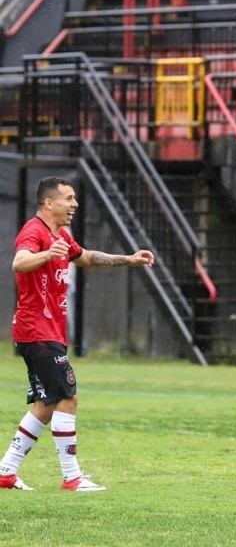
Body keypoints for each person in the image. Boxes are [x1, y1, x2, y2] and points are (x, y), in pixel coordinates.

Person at [0, 176, 155, 492]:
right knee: (68, 397)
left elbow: (85, 258)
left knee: (47, 403)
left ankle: (6, 472)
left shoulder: (60, 236)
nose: (75, 204)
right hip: (37, 331)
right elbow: (19, 262)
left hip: (48, 332)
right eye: (68, 198)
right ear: (49, 203)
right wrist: (46, 254)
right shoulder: (35, 232)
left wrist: (129, 260)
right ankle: (72, 477)